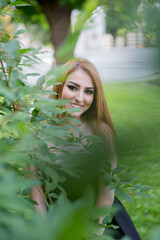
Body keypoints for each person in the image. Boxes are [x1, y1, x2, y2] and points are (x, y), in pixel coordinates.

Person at [30, 58, 141, 240]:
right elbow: (37, 195)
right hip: (58, 221)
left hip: (100, 222)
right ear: (58, 86)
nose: (80, 98)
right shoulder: (37, 134)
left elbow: (106, 196)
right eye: (73, 87)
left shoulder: (102, 133)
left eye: (88, 92)